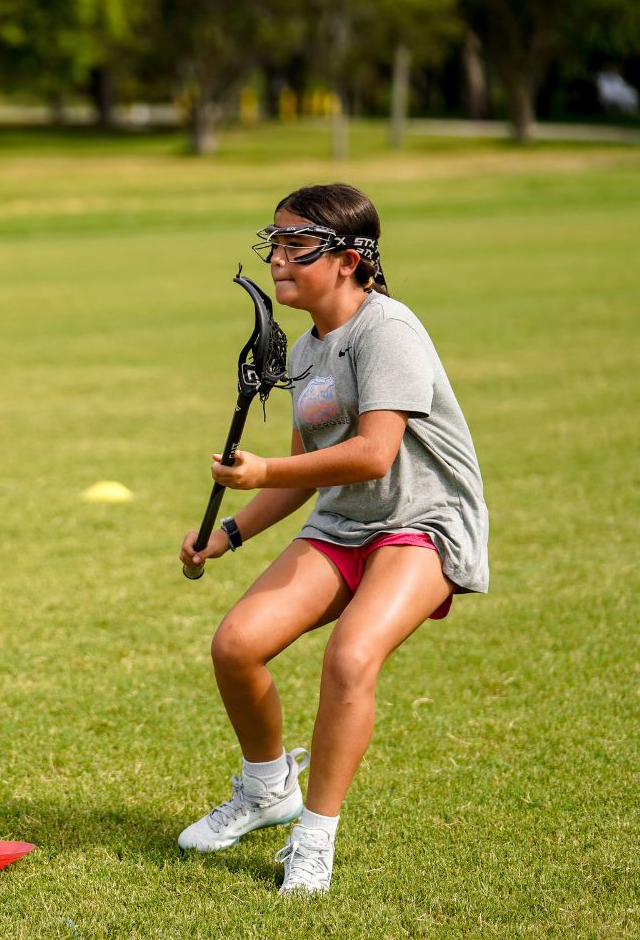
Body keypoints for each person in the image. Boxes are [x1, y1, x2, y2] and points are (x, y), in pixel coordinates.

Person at [177, 183, 488, 895]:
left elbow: (375, 453)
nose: (278, 260)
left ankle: (314, 835)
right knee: (237, 646)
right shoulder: (309, 351)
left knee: (351, 658)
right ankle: (265, 791)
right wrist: (227, 532)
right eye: (275, 244)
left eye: (296, 247)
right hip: (343, 525)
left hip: (423, 524)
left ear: (349, 260)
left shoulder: (388, 330)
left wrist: (262, 471)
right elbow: (303, 473)